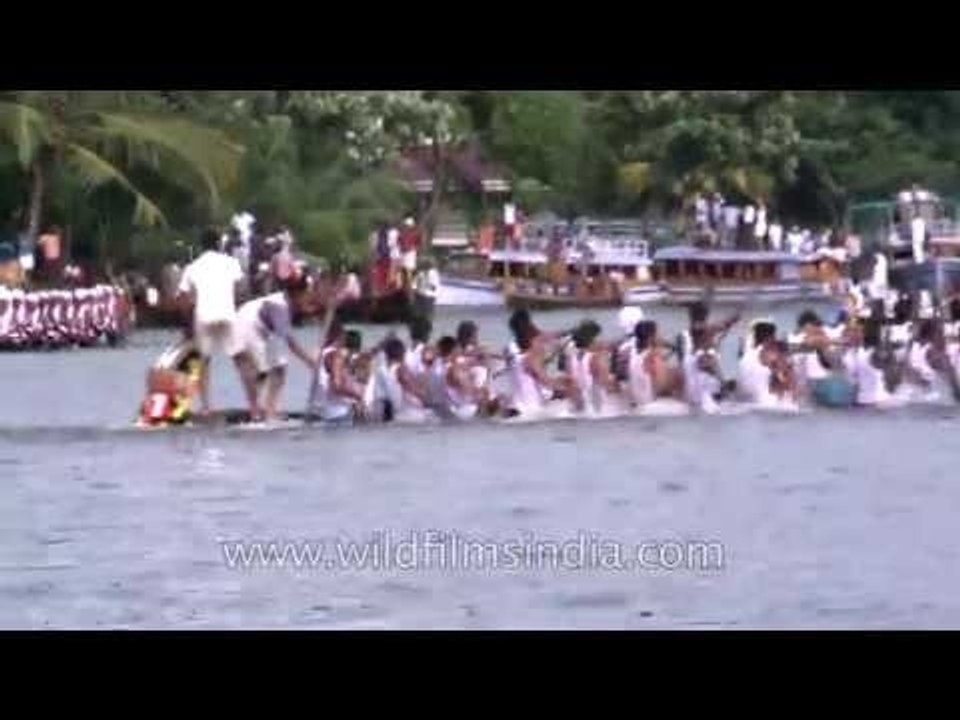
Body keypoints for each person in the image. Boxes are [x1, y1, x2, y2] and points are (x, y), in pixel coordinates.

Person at [176, 228, 247, 416]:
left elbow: (183, 296)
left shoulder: (193, 266)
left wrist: (187, 326)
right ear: (219, 244)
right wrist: (236, 303)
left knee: (202, 361)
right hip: (227, 313)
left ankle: (207, 406)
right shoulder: (231, 262)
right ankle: (255, 405)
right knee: (240, 358)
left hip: (204, 315)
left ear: (201, 246)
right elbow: (242, 287)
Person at [233, 273, 318, 421]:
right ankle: (261, 413)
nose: (309, 297)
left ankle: (267, 410)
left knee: (276, 367)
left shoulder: (286, 302)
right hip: (245, 327)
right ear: (297, 294)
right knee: (269, 370)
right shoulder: (279, 306)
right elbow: (290, 342)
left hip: (257, 329)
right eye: (307, 294)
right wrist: (309, 361)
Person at [309, 319, 368, 424]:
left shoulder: (316, 354)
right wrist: (357, 396)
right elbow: (336, 385)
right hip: (337, 413)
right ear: (340, 336)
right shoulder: (336, 356)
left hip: (317, 410)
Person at [374, 337, 430, 423]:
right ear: (402, 353)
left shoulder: (380, 369)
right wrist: (426, 368)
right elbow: (419, 393)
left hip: (383, 412)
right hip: (404, 415)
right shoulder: (401, 369)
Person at [398, 217, 420, 289]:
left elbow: (418, 243)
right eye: (406, 225)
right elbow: (398, 242)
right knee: (401, 269)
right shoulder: (402, 233)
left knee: (409, 270)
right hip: (403, 252)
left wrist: (414, 248)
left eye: (408, 225)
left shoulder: (415, 233)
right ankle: (401, 285)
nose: (407, 226)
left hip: (410, 253)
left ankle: (409, 285)